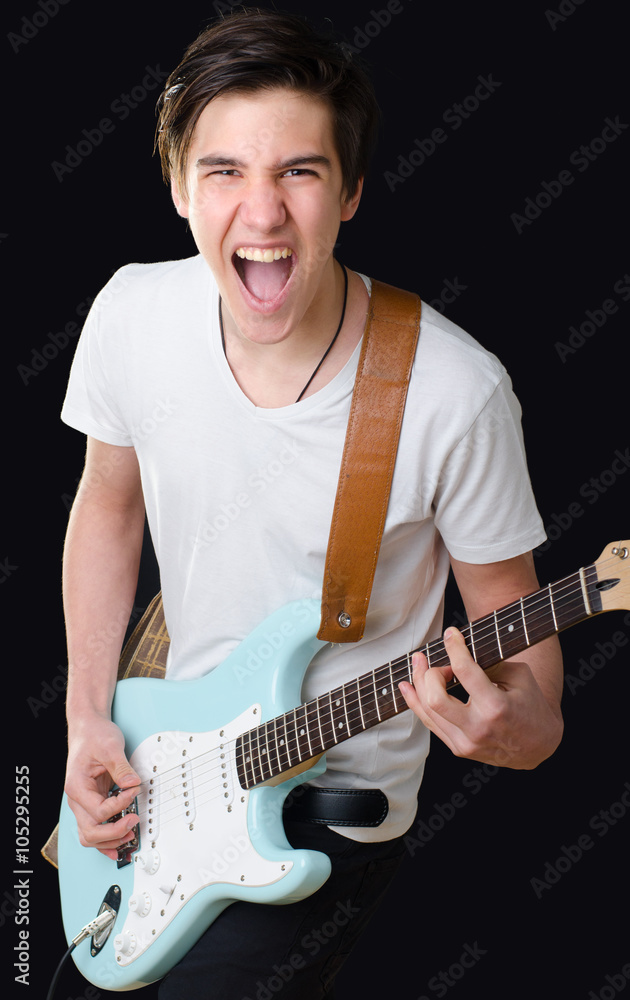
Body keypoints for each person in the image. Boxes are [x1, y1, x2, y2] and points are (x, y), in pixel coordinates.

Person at [60, 9, 563, 998]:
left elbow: (519, 636)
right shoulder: (129, 313)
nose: (262, 213)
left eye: (299, 171)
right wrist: (86, 721)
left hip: (324, 814)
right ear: (176, 185)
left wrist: (527, 729)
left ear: (351, 192)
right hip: (158, 770)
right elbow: (107, 511)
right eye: (224, 171)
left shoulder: (453, 392)